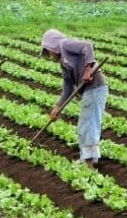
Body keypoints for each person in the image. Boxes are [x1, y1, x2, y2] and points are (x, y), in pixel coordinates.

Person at [41, 29, 109, 168]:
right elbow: (68, 87)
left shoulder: (65, 45)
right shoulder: (63, 64)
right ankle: (89, 159)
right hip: (89, 90)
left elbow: (87, 46)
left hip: (95, 87)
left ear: (53, 45)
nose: (49, 55)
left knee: (87, 124)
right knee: (87, 124)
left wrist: (88, 69)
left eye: (48, 51)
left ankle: (89, 164)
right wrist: (58, 107)